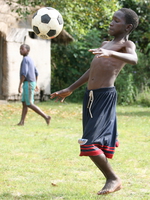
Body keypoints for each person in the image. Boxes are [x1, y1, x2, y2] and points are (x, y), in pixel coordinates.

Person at [50, 8, 139, 195]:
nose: (111, 23)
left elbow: (133, 59)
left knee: (87, 144)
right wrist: (70, 89)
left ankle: (113, 178)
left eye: (116, 20)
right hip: (90, 98)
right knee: (91, 142)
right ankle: (112, 171)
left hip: (105, 96)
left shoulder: (126, 45)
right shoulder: (105, 44)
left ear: (128, 26)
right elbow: (93, 70)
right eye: (111, 19)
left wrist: (111, 54)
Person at [17, 44, 51, 126]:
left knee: (29, 103)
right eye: (20, 49)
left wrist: (20, 85)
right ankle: (22, 122)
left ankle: (46, 117)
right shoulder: (30, 60)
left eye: (22, 49)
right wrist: (35, 83)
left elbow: (24, 73)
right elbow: (36, 72)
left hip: (27, 83)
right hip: (30, 83)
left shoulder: (25, 60)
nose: (20, 50)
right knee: (24, 103)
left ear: (27, 50)